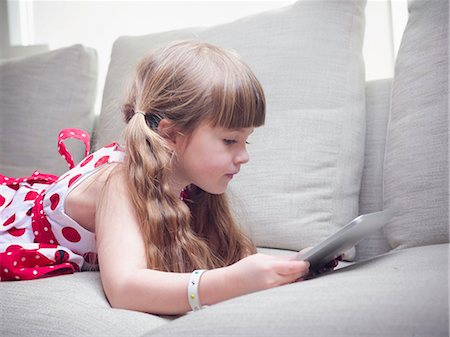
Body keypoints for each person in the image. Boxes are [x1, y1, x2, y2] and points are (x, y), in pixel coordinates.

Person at [0, 41, 312, 315]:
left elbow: (229, 255)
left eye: (247, 140)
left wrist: (292, 266)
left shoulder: (192, 181)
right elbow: (124, 288)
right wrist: (228, 283)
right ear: (172, 134)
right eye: (230, 141)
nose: (244, 155)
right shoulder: (120, 182)